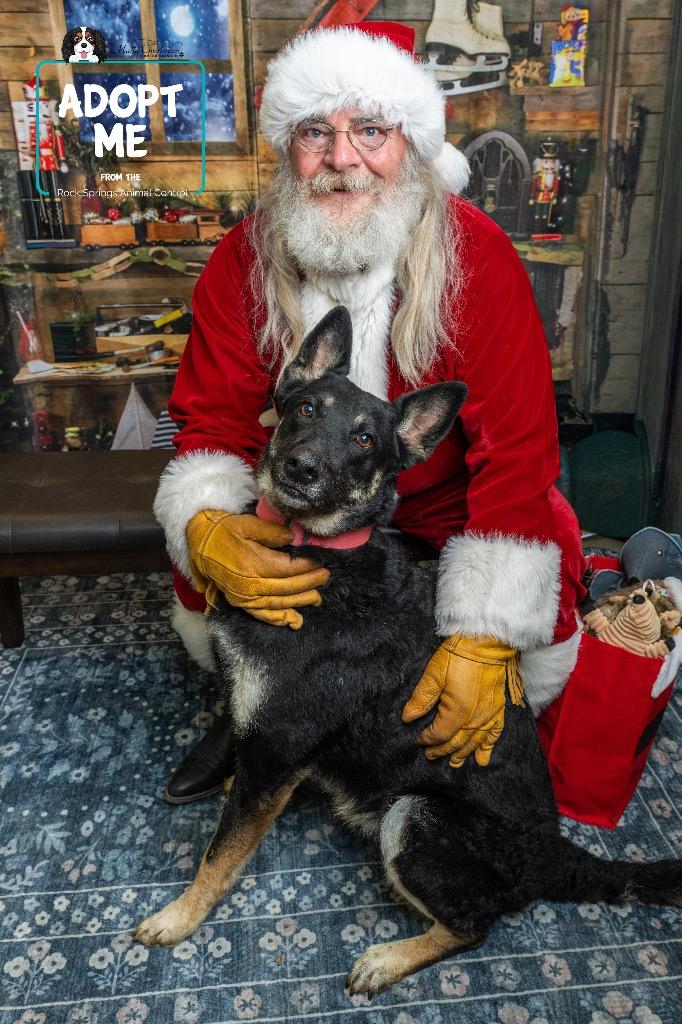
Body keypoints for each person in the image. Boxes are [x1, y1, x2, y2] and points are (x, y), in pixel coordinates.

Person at [153, 21, 586, 804]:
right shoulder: (240, 261)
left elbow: (518, 451)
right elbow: (211, 425)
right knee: (219, 552)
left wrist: (484, 635)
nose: (342, 158)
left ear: (410, 147)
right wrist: (207, 530)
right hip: (296, 503)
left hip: (446, 502)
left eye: (371, 131)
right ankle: (257, 709)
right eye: (316, 131)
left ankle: (464, 716)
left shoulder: (479, 258)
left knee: (542, 541)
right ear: (288, 148)